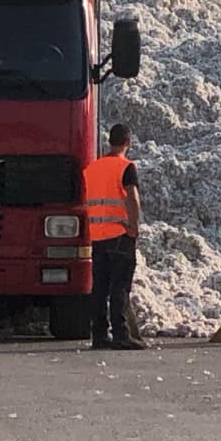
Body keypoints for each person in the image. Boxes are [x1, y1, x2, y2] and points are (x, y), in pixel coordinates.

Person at [82, 123, 147, 349]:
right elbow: (132, 197)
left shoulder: (92, 168)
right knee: (120, 286)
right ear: (128, 142)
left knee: (100, 286)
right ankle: (121, 334)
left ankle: (99, 335)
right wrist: (133, 226)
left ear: (110, 141)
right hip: (119, 233)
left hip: (97, 235)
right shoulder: (125, 167)